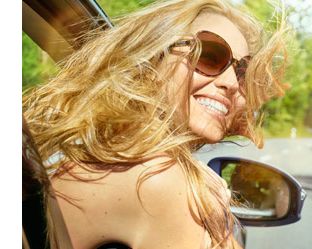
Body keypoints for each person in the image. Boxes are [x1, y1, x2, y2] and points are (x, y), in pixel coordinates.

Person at [22, 0, 289, 248]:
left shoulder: (83, 147)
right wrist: (217, 222)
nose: (232, 84)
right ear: (152, 56)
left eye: (243, 73)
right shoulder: (159, 180)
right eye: (209, 55)